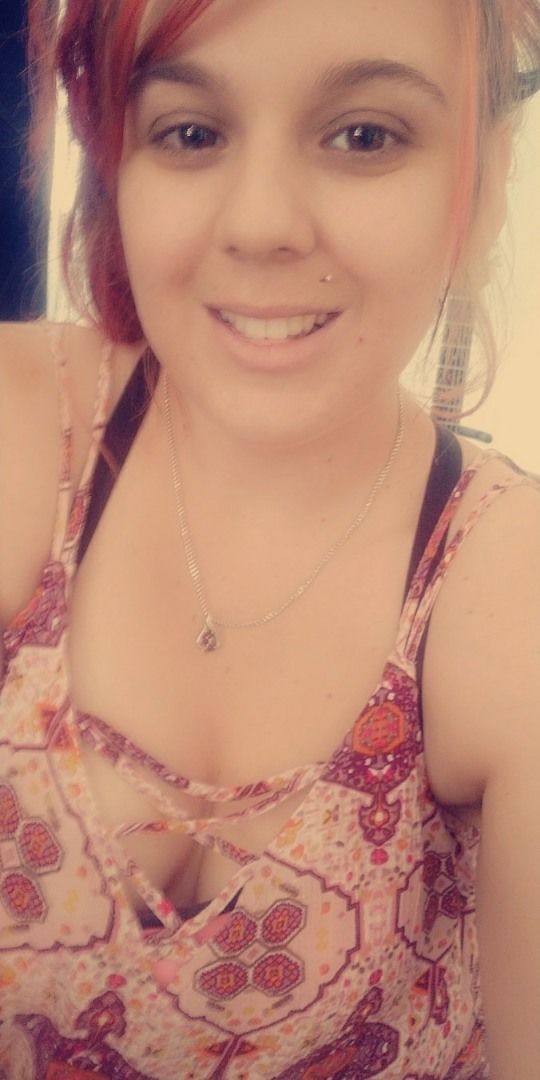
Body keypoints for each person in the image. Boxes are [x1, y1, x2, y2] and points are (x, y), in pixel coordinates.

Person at [0, 0, 539, 1076]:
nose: (260, 223)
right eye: (191, 132)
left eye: (365, 134)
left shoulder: (502, 585)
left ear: (481, 177)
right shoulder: (25, 429)